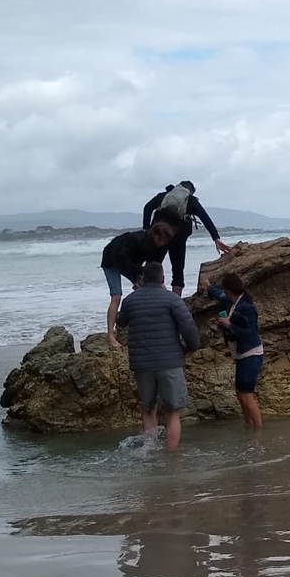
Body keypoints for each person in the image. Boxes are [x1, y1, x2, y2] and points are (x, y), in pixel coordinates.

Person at [115, 260, 200, 450]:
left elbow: (120, 321)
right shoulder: (172, 300)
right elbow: (188, 328)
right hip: (170, 362)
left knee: (148, 409)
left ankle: (150, 450)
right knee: (173, 412)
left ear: (143, 279)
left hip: (142, 364)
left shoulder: (131, 300)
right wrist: (192, 347)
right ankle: (171, 455)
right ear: (163, 278)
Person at [141, 181, 232, 295]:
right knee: (178, 271)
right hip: (178, 237)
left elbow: (147, 208)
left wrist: (147, 229)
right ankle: (175, 300)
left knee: (152, 267)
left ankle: (149, 296)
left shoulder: (163, 196)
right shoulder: (191, 200)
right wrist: (216, 239)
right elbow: (205, 218)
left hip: (159, 235)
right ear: (190, 192)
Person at [101, 221, 175, 347]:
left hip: (131, 263)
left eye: (165, 241)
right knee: (116, 295)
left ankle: (155, 326)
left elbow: (154, 267)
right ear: (154, 235)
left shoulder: (161, 247)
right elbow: (122, 259)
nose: (161, 243)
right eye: (160, 240)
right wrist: (139, 274)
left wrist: (147, 279)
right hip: (112, 259)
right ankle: (110, 336)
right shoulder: (135, 239)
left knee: (154, 288)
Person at [206, 272, 263, 430]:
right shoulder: (231, 302)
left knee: (246, 394)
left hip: (251, 353)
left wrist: (229, 325)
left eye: (225, 290)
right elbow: (220, 296)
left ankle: (258, 430)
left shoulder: (247, 308)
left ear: (229, 291)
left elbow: (249, 333)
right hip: (241, 354)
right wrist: (209, 288)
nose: (224, 293)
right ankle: (249, 425)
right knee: (240, 393)